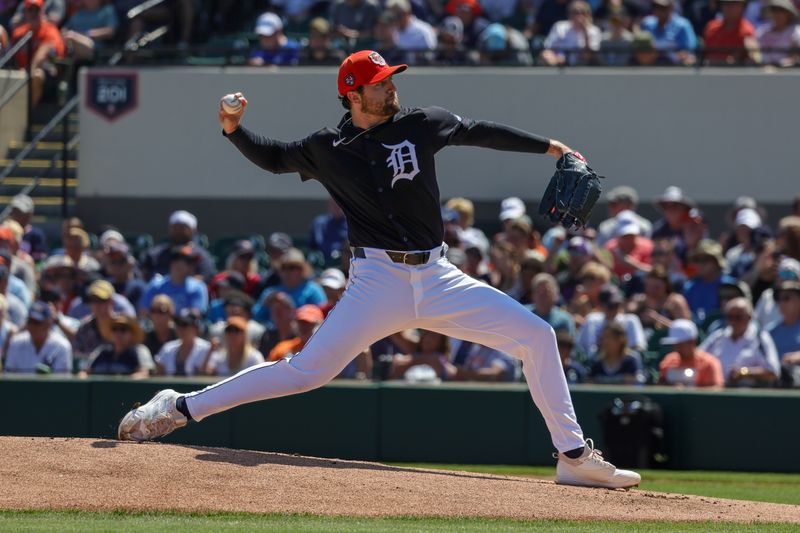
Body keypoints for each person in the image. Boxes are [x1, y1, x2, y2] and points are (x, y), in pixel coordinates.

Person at [119, 49, 640, 489]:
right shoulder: (327, 148)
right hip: (377, 281)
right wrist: (233, 129)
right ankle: (180, 407)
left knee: (538, 334)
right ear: (352, 95)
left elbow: (480, 131)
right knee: (307, 372)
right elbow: (275, 157)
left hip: (438, 277)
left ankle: (572, 458)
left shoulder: (421, 123)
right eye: (377, 83)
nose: (388, 87)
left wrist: (553, 148)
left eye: (389, 79)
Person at [700, 297, 781, 387]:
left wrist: (744, 372)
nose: (733, 321)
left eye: (738, 317)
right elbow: (699, 357)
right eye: (730, 317)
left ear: (749, 317)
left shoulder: (761, 338)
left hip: (749, 394)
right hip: (718, 390)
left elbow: (773, 372)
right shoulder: (718, 336)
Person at [11, 0, 64, 107]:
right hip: (22, 74)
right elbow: (12, 58)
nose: (33, 13)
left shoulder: (50, 30)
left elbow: (45, 52)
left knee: (37, 74)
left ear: (42, 11)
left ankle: (26, 115)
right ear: (25, 13)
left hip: (47, 77)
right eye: (30, 10)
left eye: (36, 10)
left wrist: (29, 71)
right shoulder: (19, 33)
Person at [140, 210, 215, 282]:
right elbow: (143, 274)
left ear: (193, 230)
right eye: (175, 227)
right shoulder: (155, 254)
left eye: (183, 228)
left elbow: (206, 276)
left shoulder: (201, 256)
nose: (179, 231)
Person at [3, 301, 72, 374]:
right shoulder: (16, 343)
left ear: (48, 324)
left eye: (37, 322)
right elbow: (9, 377)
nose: (32, 326)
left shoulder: (61, 346)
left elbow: (61, 382)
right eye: (30, 321)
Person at [139, 245, 209, 316]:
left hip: (185, 326)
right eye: (189, 262)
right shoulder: (156, 286)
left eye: (194, 263)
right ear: (174, 264)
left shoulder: (197, 287)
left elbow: (196, 315)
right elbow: (144, 314)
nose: (193, 266)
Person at [658, 319, 724, 387]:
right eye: (675, 345)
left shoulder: (709, 363)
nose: (677, 348)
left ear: (692, 342)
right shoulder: (668, 361)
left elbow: (716, 391)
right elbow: (660, 387)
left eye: (681, 344)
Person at [85, 314, 153, 378]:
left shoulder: (139, 351)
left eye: (123, 329)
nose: (118, 333)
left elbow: (144, 373)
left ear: (132, 333)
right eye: (114, 329)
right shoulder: (102, 351)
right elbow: (85, 372)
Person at [540, 0, 601, 66]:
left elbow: (589, 56)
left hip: (582, 67)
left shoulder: (594, 31)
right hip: (559, 66)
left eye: (583, 12)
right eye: (575, 12)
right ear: (569, 14)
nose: (579, 16)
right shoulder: (559, 27)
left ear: (589, 15)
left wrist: (585, 31)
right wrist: (555, 59)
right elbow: (548, 48)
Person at [154, 308, 210, 377]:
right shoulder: (168, 348)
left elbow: (209, 374)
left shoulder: (207, 348)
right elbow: (159, 373)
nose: (180, 329)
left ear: (195, 328)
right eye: (178, 325)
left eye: (184, 325)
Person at [640, 0, 698, 65]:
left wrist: (672, 57)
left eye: (662, 8)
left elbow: (689, 50)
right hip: (650, 66)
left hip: (674, 67)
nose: (658, 11)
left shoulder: (683, 25)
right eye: (656, 7)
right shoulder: (647, 24)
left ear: (671, 7)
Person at [702, 0, 756, 65]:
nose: (729, 7)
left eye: (734, 3)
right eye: (726, 3)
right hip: (709, 72)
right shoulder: (711, 28)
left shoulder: (747, 31)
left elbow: (752, 59)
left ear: (743, 6)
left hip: (735, 73)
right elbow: (703, 55)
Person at [756, 0, 800, 67]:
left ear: (788, 13)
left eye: (781, 10)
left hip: (788, 72)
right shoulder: (762, 31)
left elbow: (796, 57)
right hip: (763, 72)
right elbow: (756, 53)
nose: (776, 13)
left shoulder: (796, 32)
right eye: (773, 10)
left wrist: (790, 61)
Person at [309, 198, 349, 264]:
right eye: (333, 205)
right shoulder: (319, 222)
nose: (336, 208)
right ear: (329, 206)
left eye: (339, 205)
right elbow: (312, 246)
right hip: (321, 261)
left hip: (343, 262)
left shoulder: (350, 223)